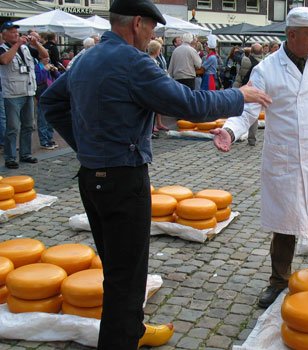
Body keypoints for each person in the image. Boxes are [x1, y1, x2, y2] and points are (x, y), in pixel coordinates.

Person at [40, 0, 271, 348]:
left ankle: (133, 329)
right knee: (126, 276)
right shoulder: (133, 61)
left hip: (93, 177)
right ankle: (121, 340)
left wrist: (86, 145)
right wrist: (239, 95)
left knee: (119, 266)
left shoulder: (86, 57)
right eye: (151, 28)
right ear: (136, 23)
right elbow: (188, 104)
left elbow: (51, 102)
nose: (151, 36)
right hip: (122, 178)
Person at [212, 7, 308, 308]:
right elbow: (247, 110)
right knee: (284, 226)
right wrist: (230, 131)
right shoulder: (267, 69)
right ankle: (279, 281)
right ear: (291, 35)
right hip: (285, 157)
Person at [1, 22, 49, 169]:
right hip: (12, 94)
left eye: (16, 31)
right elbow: (5, 60)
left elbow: (45, 55)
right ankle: (10, 157)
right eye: (11, 32)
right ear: (3, 34)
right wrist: (17, 45)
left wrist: (37, 44)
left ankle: (25, 154)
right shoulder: (2, 49)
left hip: (28, 91)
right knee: (13, 127)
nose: (16, 34)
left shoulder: (26, 48)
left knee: (28, 125)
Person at [238, 43, 263, 146]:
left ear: (251, 52)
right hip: (254, 91)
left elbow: (237, 57)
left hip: (242, 88)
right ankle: (252, 138)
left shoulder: (245, 60)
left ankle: (237, 134)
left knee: (238, 111)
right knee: (253, 114)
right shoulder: (262, 63)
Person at [34, 56, 60, 149]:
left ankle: (49, 138)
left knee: (50, 120)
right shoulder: (37, 67)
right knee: (42, 120)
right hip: (42, 95)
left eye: (48, 57)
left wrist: (55, 71)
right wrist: (45, 70)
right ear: (40, 58)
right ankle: (44, 140)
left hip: (51, 96)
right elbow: (38, 79)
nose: (47, 59)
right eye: (45, 57)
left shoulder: (50, 66)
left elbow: (59, 78)